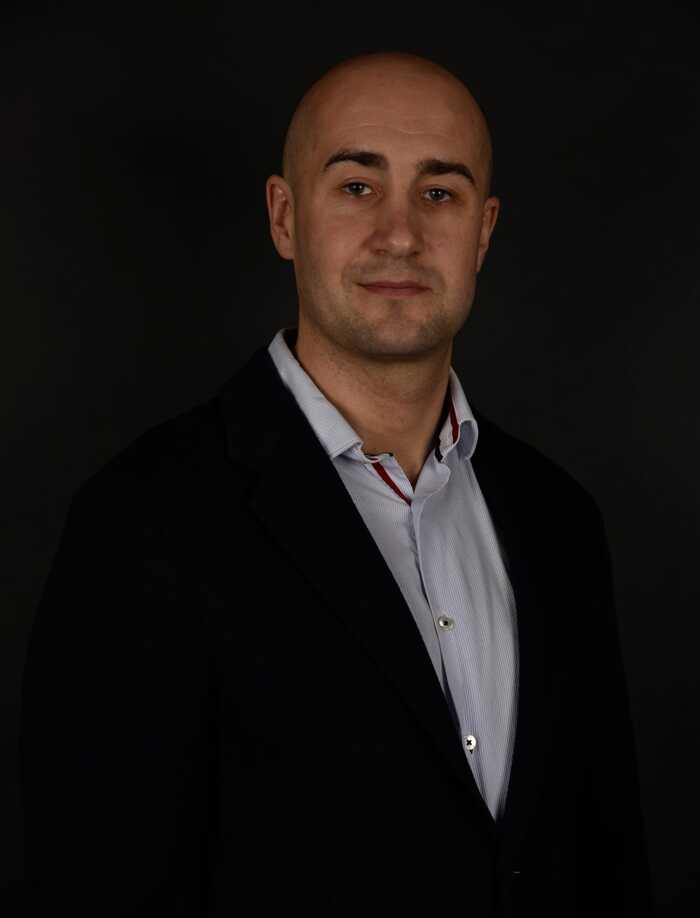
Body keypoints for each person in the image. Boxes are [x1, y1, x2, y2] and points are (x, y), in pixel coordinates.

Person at [19, 50, 654, 916]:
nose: (401, 234)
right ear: (285, 218)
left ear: (484, 231)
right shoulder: (143, 521)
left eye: (440, 193)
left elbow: (606, 863)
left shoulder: (559, 520)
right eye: (357, 186)